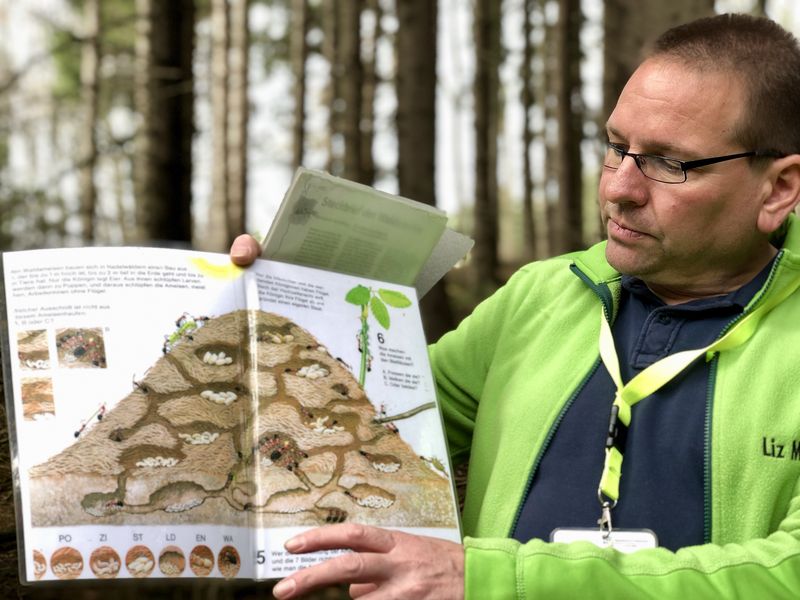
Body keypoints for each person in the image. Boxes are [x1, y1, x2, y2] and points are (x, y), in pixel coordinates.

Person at [230, 13, 800, 599]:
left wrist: (489, 579)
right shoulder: (541, 296)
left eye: (667, 162)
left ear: (779, 188)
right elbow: (366, 429)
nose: (619, 189)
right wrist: (284, 312)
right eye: (616, 148)